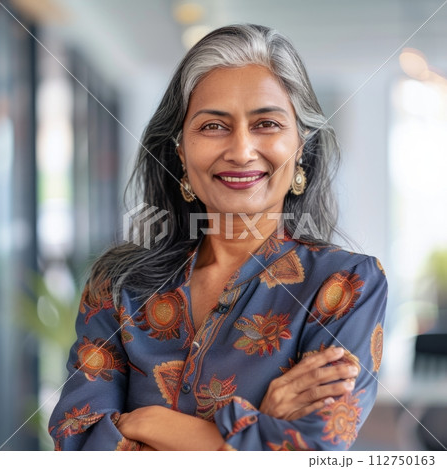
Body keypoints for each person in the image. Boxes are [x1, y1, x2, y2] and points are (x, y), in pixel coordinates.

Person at [49, 23, 387, 451]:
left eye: (266, 123)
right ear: (181, 152)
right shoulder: (117, 286)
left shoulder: (346, 285)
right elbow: (76, 442)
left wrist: (148, 422)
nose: (242, 150)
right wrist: (259, 426)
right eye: (213, 126)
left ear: (300, 147)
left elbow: (313, 450)